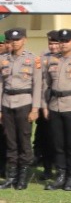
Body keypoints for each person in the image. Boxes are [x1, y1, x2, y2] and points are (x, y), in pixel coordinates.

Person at [40, 30, 71, 192]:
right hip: (55, 106)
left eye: (66, 41)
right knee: (58, 143)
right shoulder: (52, 60)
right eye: (61, 41)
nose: (63, 44)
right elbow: (45, 85)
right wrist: (45, 106)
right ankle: (60, 175)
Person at [0, 29, 41, 190]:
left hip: (24, 102)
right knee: (10, 140)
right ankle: (11, 176)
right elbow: (1, 84)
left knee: (24, 140)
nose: (14, 42)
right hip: (7, 102)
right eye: (11, 40)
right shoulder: (3, 59)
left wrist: (35, 108)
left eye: (17, 39)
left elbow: (37, 85)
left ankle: (23, 177)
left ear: (24, 40)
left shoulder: (32, 59)